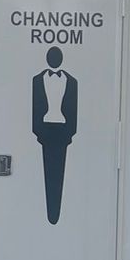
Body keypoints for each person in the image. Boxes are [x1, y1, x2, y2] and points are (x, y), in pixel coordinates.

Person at [30, 46, 78, 225]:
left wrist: (70, 133)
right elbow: (35, 108)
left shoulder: (72, 82)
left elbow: (73, 111)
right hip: (44, 132)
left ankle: (54, 215)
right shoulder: (37, 80)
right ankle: (51, 215)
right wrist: (38, 131)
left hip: (63, 133)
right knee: (49, 173)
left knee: (58, 173)